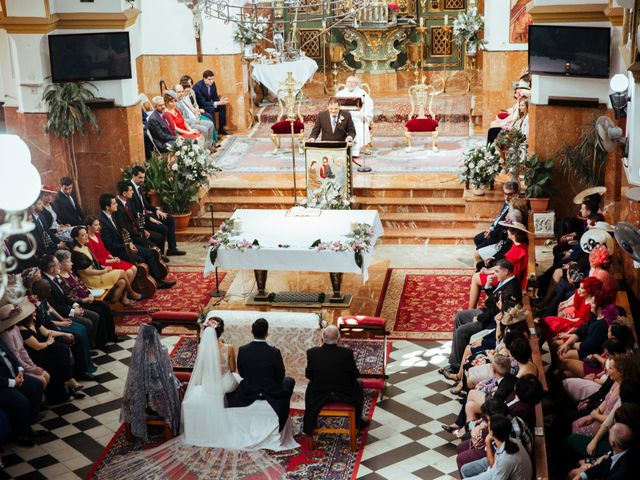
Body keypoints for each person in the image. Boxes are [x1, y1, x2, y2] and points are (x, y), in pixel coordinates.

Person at [96, 324, 289, 480]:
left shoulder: (201, 348)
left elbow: (206, 369)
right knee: (236, 381)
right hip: (225, 384)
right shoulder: (231, 348)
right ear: (267, 332)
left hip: (206, 385)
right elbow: (234, 370)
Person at [442, 259, 523, 378]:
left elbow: (498, 313)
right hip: (487, 312)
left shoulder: (511, 290)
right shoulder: (505, 280)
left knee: (462, 331)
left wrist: (479, 318)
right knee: (460, 315)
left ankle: (456, 367)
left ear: (505, 272)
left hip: (490, 321)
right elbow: (494, 300)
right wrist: (488, 286)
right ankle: (456, 360)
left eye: (496, 271)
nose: (494, 274)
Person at [226, 318, 295, 432]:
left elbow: (241, 373)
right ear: (267, 333)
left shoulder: (243, 350)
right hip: (271, 391)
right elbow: (280, 375)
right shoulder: (274, 352)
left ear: (252, 332)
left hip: (249, 391)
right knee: (290, 381)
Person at [303, 325, 370, 436]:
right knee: (359, 384)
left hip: (320, 395)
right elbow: (355, 375)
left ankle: (311, 423)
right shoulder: (347, 353)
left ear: (322, 339)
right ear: (339, 339)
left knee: (310, 386)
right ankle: (358, 423)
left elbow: (309, 375)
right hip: (343, 394)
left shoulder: (312, 353)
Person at [98, 194, 175, 288]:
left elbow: (122, 231)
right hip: (117, 251)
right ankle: (147, 282)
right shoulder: (102, 222)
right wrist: (126, 246)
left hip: (125, 245)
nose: (117, 205)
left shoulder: (112, 215)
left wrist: (129, 242)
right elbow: (109, 244)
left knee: (149, 253)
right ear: (107, 207)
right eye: (114, 203)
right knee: (141, 260)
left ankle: (157, 279)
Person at [120, 323, 181, 442]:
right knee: (177, 387)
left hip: (139, 392)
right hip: (154, 395)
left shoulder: (138, 353)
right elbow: (165, 377)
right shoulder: (161, 352)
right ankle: (169, 421)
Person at [54, 248, 123, 346]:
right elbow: (69, 297)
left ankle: (112, 336)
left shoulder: (70, 272)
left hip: (87, 298)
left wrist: (89, 293)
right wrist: (83, 300)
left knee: (105, 307)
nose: (72, 263)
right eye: (69, 261)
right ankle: (101, 342)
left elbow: (81, 283)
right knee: (99, 312)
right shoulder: (59, 278)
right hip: (79, 303)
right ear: (61, 264)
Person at [0, 301, 46, 447]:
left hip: (14, 375)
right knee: (21, 402)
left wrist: (19, 370)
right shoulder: (4, 335)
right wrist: (13, 382)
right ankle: (18, 434)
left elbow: (12, 355)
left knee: (37, 385)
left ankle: (27, 425)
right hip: (3, 385)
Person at [469, 221, 529, 309]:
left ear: (513, 234)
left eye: (509, 230)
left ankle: (471, 308)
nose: (507, 231)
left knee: (475, 278)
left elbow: (503, 269)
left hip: (507, 279)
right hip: (508, 275)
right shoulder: (520, 245)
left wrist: (487, 271)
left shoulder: (517, 251)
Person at [70, 226, 135, 306]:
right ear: (76, 238)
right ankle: (131, 293)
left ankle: (112, 304)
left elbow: (95, 263)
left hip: (97, 273)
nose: (86, 236)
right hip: (91, 280)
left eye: (86, 233)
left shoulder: (84, 246)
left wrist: (103, 267)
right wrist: (104, 270)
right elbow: (88, 272)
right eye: (83, 235)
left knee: (122, 282)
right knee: (122, 272)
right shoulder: (77, 253)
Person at [128, 168, 186, 257]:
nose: (142, 180)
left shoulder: (139, 187)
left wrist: (156, 210)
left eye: (143, 177)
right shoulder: (129, 189)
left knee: (169, 218)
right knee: (163, 228)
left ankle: (172, 249)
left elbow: (145, 203)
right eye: (140, 178)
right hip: (140, 219)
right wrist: (150, 218)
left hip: (146, 214)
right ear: (133, 176)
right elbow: (134, 211)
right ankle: (160, 255)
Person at [465, 414, 533, 480]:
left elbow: (496, 472)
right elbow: (493, 469)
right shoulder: (511, 441)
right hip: (499, 472)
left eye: (488, 426)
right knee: (465, 470)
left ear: (491, 433)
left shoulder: (505, 459)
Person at [85, 215, 138, 286]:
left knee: (134, 268)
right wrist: (112, 261)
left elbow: (104, 251)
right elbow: (96, 260)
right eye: (96, 225)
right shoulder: (88, 241)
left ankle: (125, 293)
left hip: (109, 260)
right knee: (129, 272)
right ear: (89, 227)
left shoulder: (97, 235)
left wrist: (112, 257)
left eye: (99, 224)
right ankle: (127, 293)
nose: (99, 227)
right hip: (103, 265)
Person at [473, 181, 519, 251]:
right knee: (478, 238)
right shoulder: (507, 202)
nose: (507, 197)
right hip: (495, 230)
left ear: (516, 194)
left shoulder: (515, 207)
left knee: (479, 248)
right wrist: (491, 228)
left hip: (501, 236)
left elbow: (504, 226)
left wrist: (491, 233)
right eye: (505, 194)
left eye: (510, 194)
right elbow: (499, 218)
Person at [335, 76, 374, 157]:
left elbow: (369, 105)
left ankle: (355, 151)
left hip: (358, 118)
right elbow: (334, 105)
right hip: (344, 118)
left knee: (360, 126)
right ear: (346, 83)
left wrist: (365, 115)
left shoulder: (362, 93)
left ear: (356, 84)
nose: (350, 84)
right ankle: (343, 147)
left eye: (352, 82)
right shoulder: (340, 94)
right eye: (348, 82)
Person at [174, 83, 216, 149]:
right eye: (179, 92)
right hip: (188, 124)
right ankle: (203, 150)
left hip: (194, 118)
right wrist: (194, 121)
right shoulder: (175, 104)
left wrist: (196, 115)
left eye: (182, 91)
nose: (181, 93)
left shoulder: (183, 99)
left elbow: (192, 109)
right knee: (204, 129)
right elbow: (182, 120)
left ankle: (208, 147)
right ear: (174, 93)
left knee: (210, 124)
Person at [192, 69, 230, 135]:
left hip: (209, 104)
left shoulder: (213, 84)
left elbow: (215, 97)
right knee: (211, 108)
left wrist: (221, 101)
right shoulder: (197, 87)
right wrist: (218, 103)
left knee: (222, 106)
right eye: (209, 79)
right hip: (202, 107)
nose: (212, 81)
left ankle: (221, 129)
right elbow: (202, 102)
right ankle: (214, 131)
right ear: (204, 78)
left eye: (212, 79)